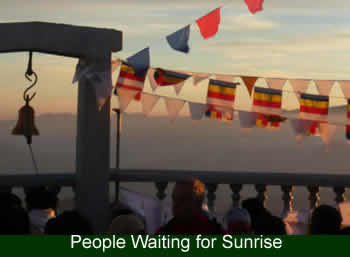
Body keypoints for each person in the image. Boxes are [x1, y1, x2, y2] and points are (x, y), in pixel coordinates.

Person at [156, 178, 225, 235]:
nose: (176, 204)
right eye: (174, 199)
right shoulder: (165, 232)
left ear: (198, 202)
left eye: (183, 199)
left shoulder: (215, 232)